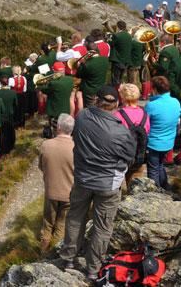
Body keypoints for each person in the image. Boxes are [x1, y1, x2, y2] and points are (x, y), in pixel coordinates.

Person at [58, 86, 136, 280]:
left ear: (96, 100)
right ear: (117, 104)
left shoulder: (82, 117)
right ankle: (93, 269)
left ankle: (68, 258)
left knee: (76, 217)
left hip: (83, 179)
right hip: (108, 184)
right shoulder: (121, 132)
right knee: (102, 227)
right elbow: (130, 157)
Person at [38, 113, 74, 251]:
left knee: (47, 222)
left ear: (58, 127)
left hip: (51, 190)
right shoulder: (77, 147)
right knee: (62, 224)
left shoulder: (46, 145)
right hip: (70, 193)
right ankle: (55, 252)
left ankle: (43, 250)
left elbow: (41, 167)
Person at [143, 77, 180, 189]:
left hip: (154, 143)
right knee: (160, 165)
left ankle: (155, 191)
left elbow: (144, 124)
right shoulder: (175, 102)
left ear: (154, 89)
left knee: (153, 169)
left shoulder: (151, 106)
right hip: (168, 142)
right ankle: (165, 185)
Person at [115, 83, 150, 184]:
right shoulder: (144, 114)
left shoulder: (118, 114)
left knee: (119, 185)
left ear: (122, 97)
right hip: (139, 155)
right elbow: (147, 132)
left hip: (123, 157)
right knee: (135, 184)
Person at [41, 62, 74, 134]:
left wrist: (42, 84)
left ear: (54, 71)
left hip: (54, 110)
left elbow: (44, 89)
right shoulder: (70, 80)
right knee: (64, 128)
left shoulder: (53, 83)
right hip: (66, 108)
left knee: (56, 129)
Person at [76, 41, 109, 109]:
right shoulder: (105, 60)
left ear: (88, 51)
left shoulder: (87, 64)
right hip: (101, 88)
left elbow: (78, 75)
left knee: (90, 110)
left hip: (89, 91)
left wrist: (80, 65)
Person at [0, 76, 17, 156]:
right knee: (10, 131)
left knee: (1, 132)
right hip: (10, 114)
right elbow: (15, 104)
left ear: (0, 83)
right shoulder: (13, 92)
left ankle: (1, 147)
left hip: (0, 115)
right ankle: (10, 146)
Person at [109, 21, 132, 86]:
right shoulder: (129, 36)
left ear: (118, 27)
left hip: (117, 60)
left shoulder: (117, 35)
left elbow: (111, 44)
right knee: (120, 79)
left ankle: (115, 93)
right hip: (125, 61)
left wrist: (109, 39)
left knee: (115, 79)